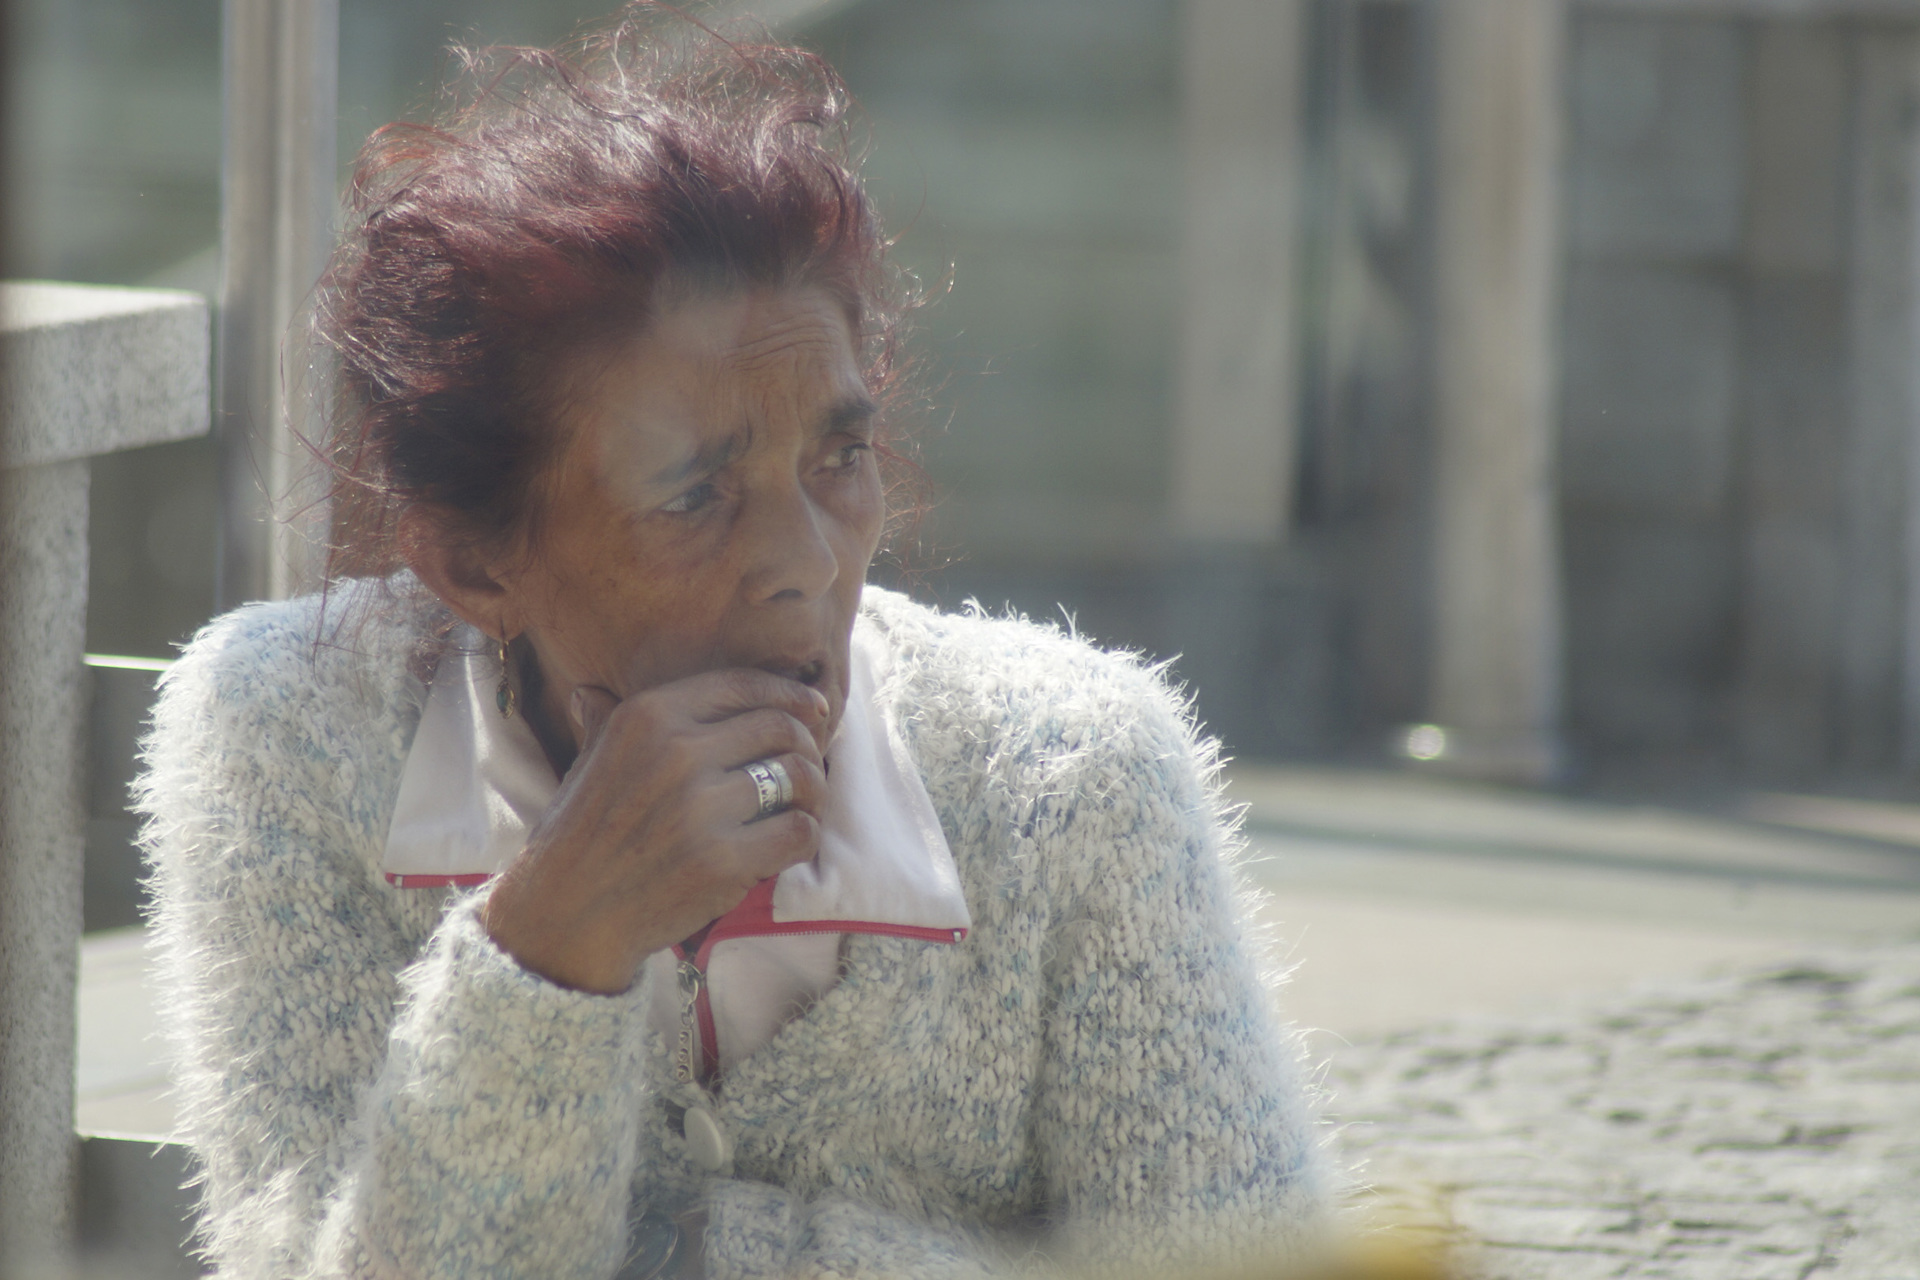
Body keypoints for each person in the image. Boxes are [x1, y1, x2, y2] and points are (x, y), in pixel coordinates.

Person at [138, 11, 1329, 1277]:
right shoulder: (290, 727)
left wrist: (694, 1246)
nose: (809, 565)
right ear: (477, 563)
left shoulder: (1075, 780)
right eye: (694, 491)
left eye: (840, 457)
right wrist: (544, 952)